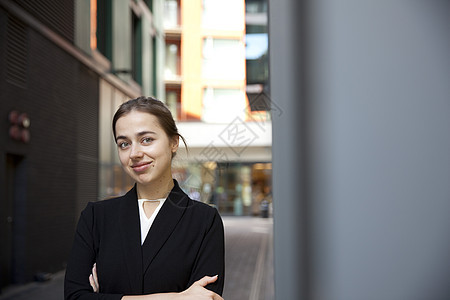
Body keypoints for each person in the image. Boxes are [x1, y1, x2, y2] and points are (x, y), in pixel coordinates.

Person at [64, 96, 225, 300]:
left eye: (146, 139)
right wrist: (176, 297)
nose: (134, 153)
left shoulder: (204, 220)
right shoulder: (96, 217)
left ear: (173, 142)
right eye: (124, 144)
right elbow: (75, 297)